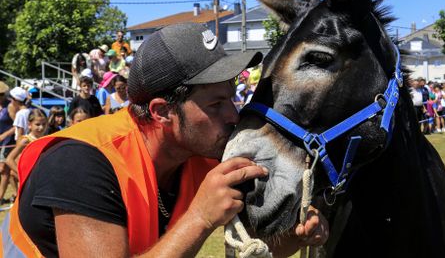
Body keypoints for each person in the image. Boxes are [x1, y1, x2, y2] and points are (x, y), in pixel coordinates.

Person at [0, 23, 328, 257]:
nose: (234, 115)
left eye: (231, 98)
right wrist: (199, 218)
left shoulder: (204, 153)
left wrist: (296, 239)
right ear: (161, 112)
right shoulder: (82, 162)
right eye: (216, 104)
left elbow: (253, 247)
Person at [5, 109, 47, 193]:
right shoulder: (26, 140)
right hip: (30, 182)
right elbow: (9, 159)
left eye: (44, 124)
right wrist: (23, 174)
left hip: (41, 178)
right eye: (37, 124)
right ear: (29, 125)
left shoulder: (45, 139)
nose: (41, 127)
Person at [0, 82, 16, 205]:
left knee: (3, 170)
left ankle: (0, 197)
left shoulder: (10, 106)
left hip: (8, 142)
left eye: (1, 94)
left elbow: (16, 125)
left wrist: (4, 135)